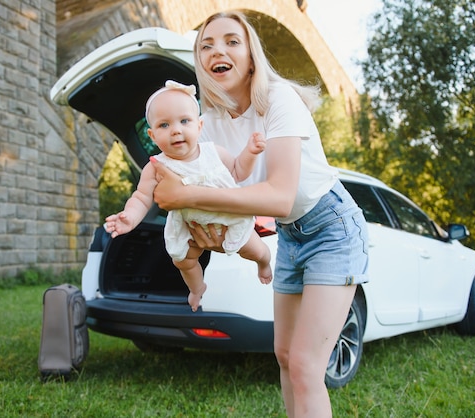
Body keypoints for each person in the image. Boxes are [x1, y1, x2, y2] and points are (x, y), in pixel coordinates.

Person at [150, 11, 369, 418]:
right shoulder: (207, 122)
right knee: (284, 354)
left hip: (332, 227)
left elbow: (280, 197)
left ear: (251, 55)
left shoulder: (279, 99)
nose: (219, 50)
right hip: (290, 237)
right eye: (207, 45)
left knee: (306, 365)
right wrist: (204, 233)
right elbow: (218, 199)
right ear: (200, 62)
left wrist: (184, 196)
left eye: (232, 41)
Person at [104, 80, 272, 312]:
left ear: (199, 126)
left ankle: (264, 262)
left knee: (254, 249)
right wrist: (130, 218)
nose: (176, 130)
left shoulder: (214, 153)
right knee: (182, 260)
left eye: (184, 121)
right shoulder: (155, 167)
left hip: (229, 217)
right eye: (164, 125)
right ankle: (196, 288)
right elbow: (142, 197)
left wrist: (250, 152)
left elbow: (238, 171)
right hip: (189, 225)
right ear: (152, 135)